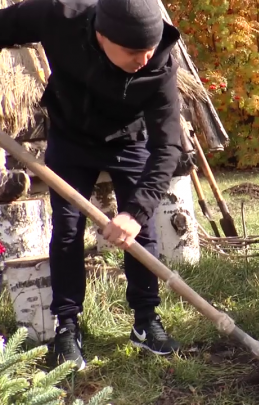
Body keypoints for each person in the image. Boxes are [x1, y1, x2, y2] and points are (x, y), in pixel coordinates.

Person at [0, 0, 184, 370]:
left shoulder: (160, 63)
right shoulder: (61, 16)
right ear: (102, 35)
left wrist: (135, 212)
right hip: (71, 138)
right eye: (134, 51)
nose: (144, 58)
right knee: (67, 231)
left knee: (141, 230)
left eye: (149, 48)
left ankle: (146, 321)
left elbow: (168, 146)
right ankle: (67, 325)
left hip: (129, 140)